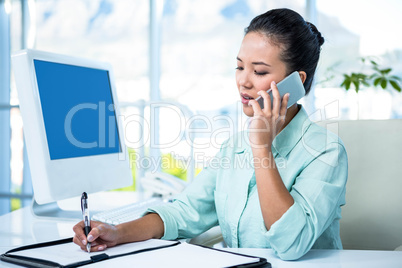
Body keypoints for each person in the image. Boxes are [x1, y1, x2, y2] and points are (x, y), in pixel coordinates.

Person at [73, 8, 348, 261]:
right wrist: (118, 232)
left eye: (259, 71)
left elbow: (291, 244)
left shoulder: (326, 151)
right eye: (240, 67)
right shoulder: (234, 147)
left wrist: (261, 148)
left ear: (297, 81)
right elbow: (185, 212)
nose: (244, 81)